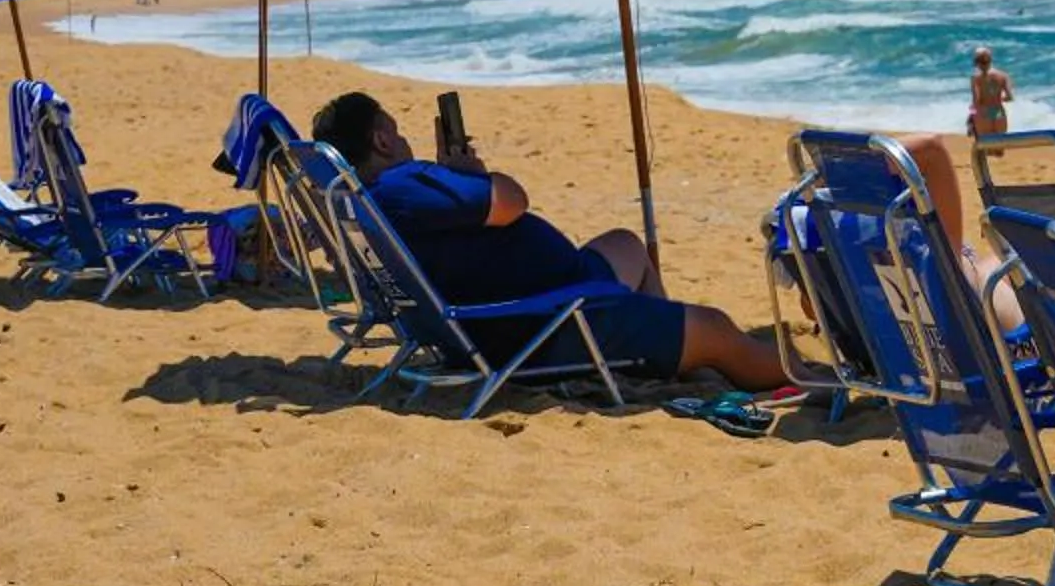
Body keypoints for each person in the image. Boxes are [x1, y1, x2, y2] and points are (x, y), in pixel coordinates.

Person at [309, 90, 786, 391]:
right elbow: (511, 200)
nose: (402, 137)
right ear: (381, 141)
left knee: (627, 245)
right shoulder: (402, 187)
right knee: (718, 329)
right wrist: (466, 174)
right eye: (395, 128)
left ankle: (663, 356)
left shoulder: (358, 203)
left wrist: (451, 182)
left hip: (515, 308)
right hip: (544, 323)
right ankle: (816, 381)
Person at [966, 47, 1014, 139]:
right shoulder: (1003, 76)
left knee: (983, 145)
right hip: (998, 112)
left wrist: (971, 116)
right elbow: (1010, 97)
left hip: (983, 113)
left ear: (977, 62)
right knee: (999, 147)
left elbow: (976, 100)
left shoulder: (976, 78)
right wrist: (997, 99)